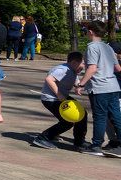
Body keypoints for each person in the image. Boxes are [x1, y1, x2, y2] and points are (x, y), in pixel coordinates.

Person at [74, 21, 121, 156]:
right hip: (113, 86)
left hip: (100, 87)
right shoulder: (108, 48)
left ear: (91, 32)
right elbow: (117, 68)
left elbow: (92, 68)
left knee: (100, 117)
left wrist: (81, 84)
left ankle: (96, 145)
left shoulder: (92, 47)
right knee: (116, 116)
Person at [30, 52, 86, 150]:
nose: (84, 67)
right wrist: (59, 95)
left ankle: (79, 142)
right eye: (83, 64)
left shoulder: (73, 70)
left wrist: (79, 86)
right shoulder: (63, 70)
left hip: (62, 98)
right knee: (67, 122)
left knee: (81, 115)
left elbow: (76, 82)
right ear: (74, 62)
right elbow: (49, 79)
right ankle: (42, 138)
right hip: (51, 99)